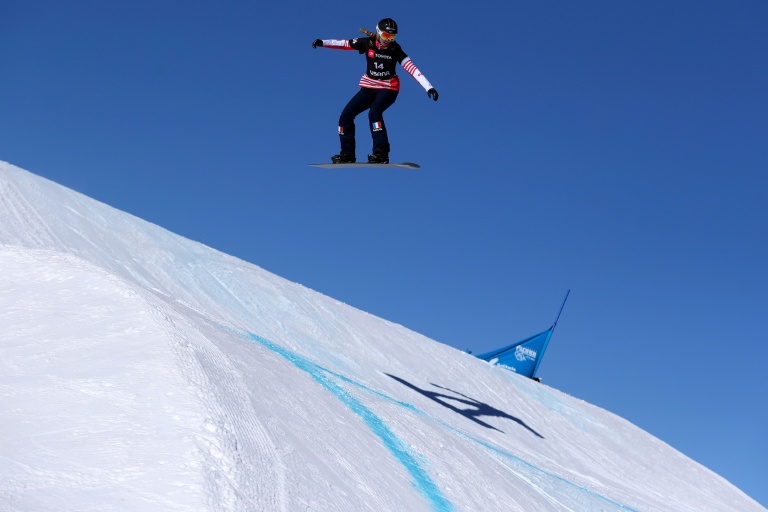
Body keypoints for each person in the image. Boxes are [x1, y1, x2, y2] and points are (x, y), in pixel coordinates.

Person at [312, 18, 438, 164]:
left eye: (392, 37)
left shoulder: (395, 49)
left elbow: (411, 68)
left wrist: (429, 87)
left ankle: (381, 154)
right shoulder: (367, 43)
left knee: (374, 113)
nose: (388, 40)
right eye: (385, 36)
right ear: (378, 33)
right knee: (345, 116)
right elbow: (344, 43)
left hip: (388, 88)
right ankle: (347, 155)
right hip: (369, 87)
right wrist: (323, 42)